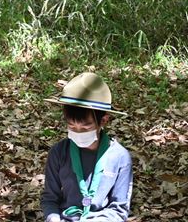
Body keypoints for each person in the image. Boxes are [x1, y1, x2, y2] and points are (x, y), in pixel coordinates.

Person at [41, 72, 133, 221]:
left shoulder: (120, 157)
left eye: (85, 128)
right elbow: (50, 199)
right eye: (71, 126)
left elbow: (119, 209)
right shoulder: (58, 152)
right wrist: (53, 218)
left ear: (103, 120)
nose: (77, 132)